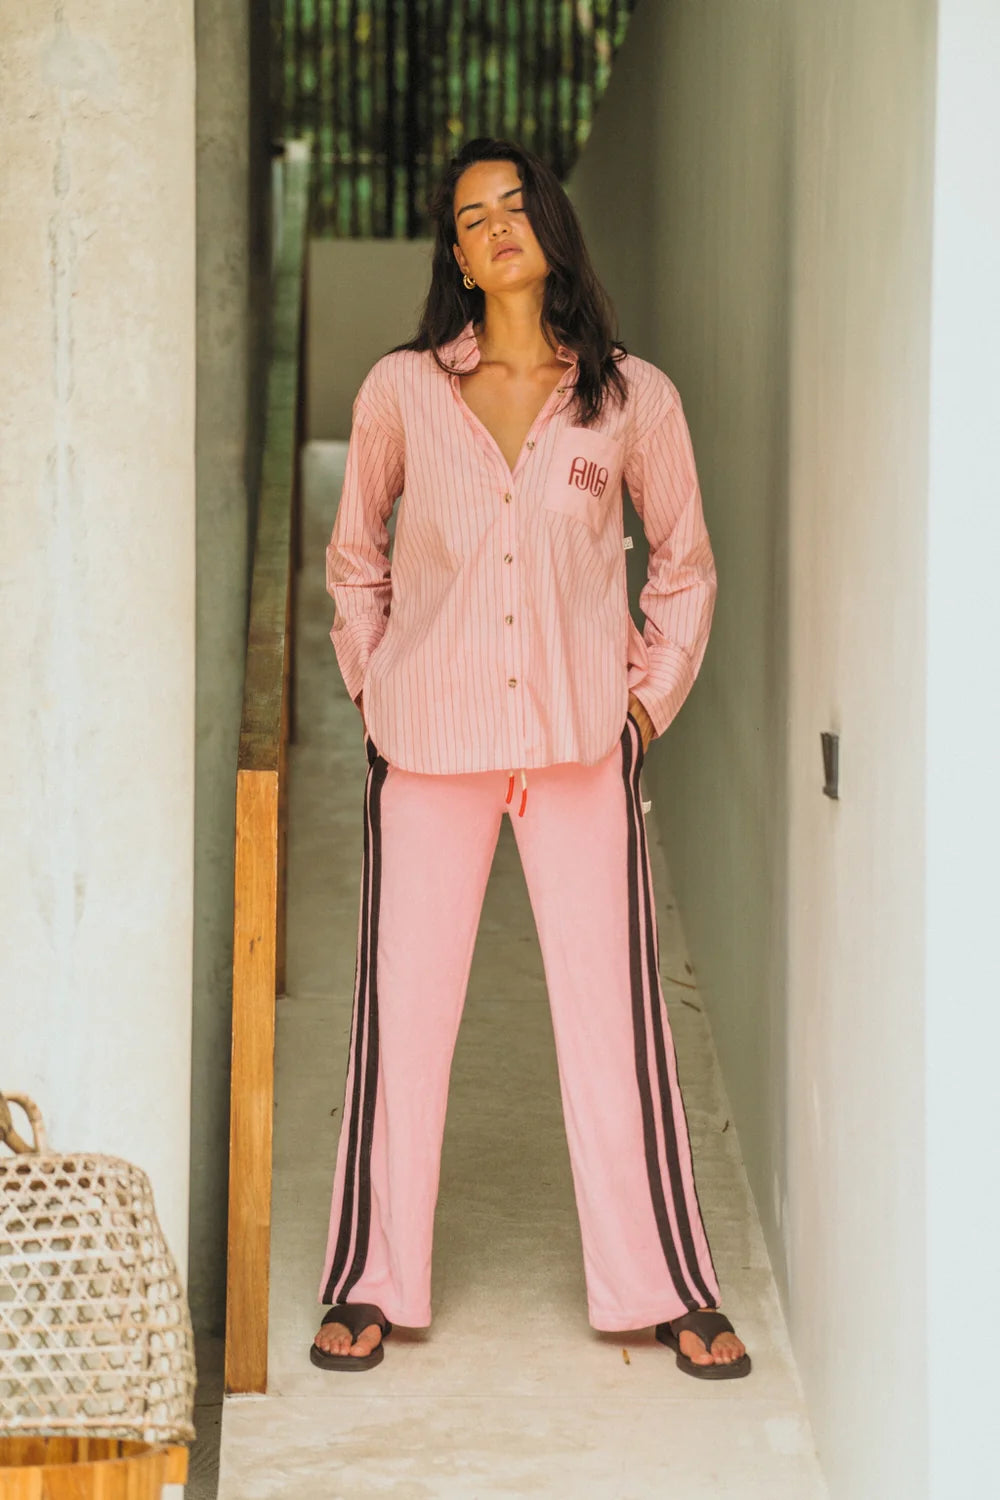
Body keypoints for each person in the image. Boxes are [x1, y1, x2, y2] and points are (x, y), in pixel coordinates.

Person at [310, 137, 751, 1381]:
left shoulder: (630, 398)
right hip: (429, 749)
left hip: (575, 747)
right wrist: (376, 689)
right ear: (455, 254)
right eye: (471, 215)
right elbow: (354, 558)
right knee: (403, 1016)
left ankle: (663, 1283)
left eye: (514, 204)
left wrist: (642, 708)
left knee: (615, 1018)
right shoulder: (402, 391)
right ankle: (371, 1277)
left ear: (550, 226)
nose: (496, 225)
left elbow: (684, 565)